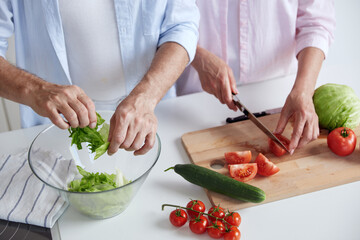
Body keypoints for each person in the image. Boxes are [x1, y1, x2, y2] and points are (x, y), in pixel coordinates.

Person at [0, 0, 199, 155]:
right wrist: (36, 90)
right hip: (54, 126)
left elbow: (182, 26)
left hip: (151, 113)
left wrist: (145, 98)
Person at [176, 0, 336, 154]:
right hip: (196, 96)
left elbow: (316, 24)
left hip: (281, 91)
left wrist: (304, 91)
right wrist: (197, 57)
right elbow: (165, 20)